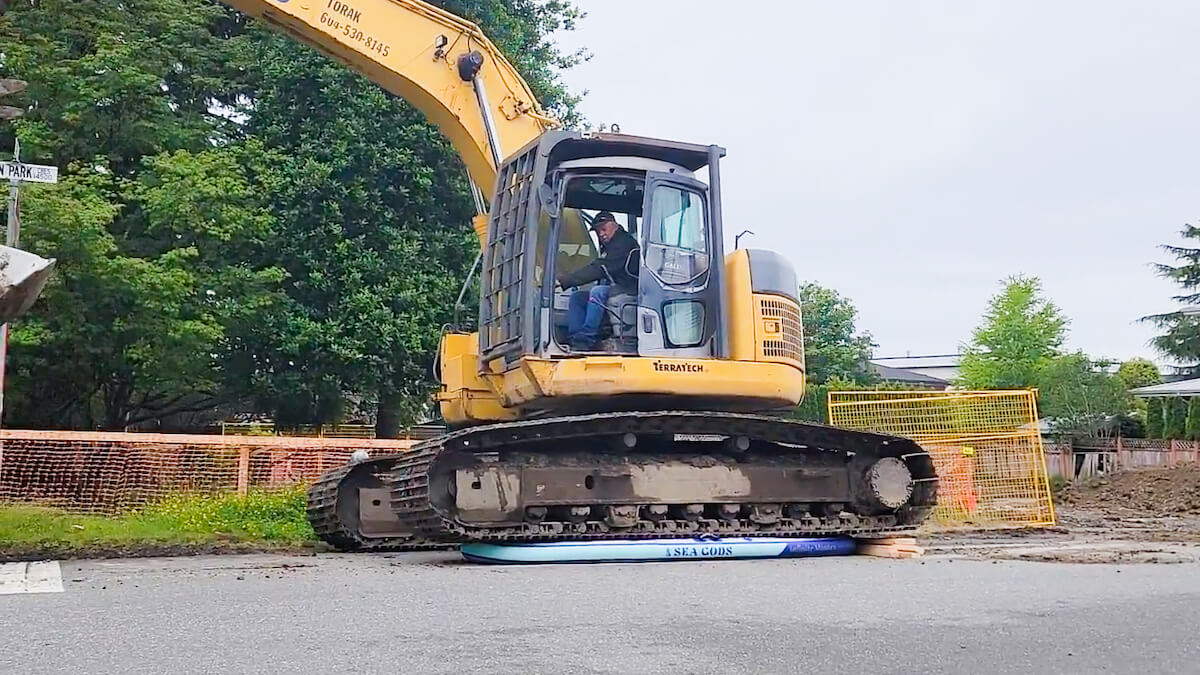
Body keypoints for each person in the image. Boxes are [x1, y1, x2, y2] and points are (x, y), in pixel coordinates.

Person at [556, 211, 639, 351]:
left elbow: (599, 268)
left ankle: (586, 338)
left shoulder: (623, 243)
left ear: (615, 225)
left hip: (629, 287)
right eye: (597, 231)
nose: (601, 233)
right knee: (577, 297)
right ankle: (576, 337)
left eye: (603, 228)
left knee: (598, 292)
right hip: (615, 287)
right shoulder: (609, 245)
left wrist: (565, 280)